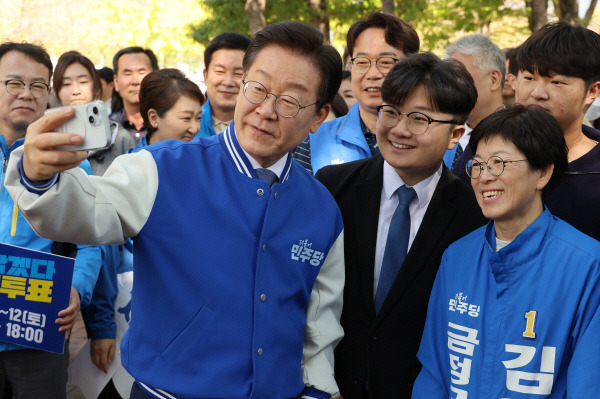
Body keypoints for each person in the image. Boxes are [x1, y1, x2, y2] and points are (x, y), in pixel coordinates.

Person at [6, 21, 344, 399]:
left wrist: (317, 389)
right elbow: (85, 210)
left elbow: (320, 321)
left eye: (290, 100)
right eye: (258, 87)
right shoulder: (159, 168)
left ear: (319, 115)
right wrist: (37, 176)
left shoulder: (322, 209)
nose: (266, 110)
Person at [316, 52, 486, 399]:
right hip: (332, 384)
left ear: (455, 134)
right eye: (390, 111)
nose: (399, 129)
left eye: (419, 119)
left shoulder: (473, 215)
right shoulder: (333, 188)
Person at [412, 104, 600, 398]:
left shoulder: (588, 264)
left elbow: (588, 386)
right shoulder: (457, 256)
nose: (484, 177)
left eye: (499, 163)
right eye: (478, 165)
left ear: (543, 172)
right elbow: (434, 373)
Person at [0, 42, 101, 399]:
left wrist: (77, 286)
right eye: (14, 83)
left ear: (49, 94)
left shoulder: (71, 160)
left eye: (38, 86)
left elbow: (91, 241)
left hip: (40, 326)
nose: (26, 94)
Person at [295, 12, 419, 174]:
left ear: (412, 67)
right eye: (361, 62)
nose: (372, 74)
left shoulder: (441, 142)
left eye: (386, 62)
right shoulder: (314, 140)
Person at [514, 21, 600, 242]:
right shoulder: (484, 153)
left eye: (557, 82)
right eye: (529, 78)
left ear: (592, 91)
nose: (537, 93)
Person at [53, 51, 136, 175]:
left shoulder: (119, 137)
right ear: (57, 91)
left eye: (83, 82)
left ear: (96, 87)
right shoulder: (50, 138)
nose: (75, 91)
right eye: (66, 84)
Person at [443, 34, 505, 171]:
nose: (450, 86)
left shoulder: (520, 136)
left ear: (494, 80)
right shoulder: (442, 134)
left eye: (459, 77)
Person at [132, 68, 205, 151]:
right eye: (187, 118)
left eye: (198, 118)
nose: (195, 129)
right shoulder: (131, 163)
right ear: (154, 118)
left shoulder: (200, 157)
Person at [196, 32, 250, 138]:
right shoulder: (186, 125)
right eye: (220, 71)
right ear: (205, 75)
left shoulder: (261, 127)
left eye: (238, 73)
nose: (228, 82)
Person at [109, 47, 159, 144]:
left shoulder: (170, 124)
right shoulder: (107, 128)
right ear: (116, 82)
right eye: (127, 73)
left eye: (142, 72)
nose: (135, 81)